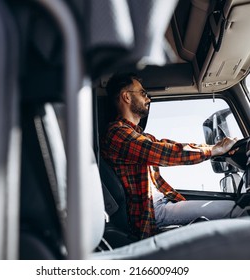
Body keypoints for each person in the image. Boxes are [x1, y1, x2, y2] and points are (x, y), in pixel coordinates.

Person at [101, 72, 239, 240]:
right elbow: (163, 152)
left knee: (233, 209)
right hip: (151, 214)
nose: (148, 99)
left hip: (161, 205)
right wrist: (213, 151)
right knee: (234, 210)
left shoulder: (137, 134)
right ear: (126, 97)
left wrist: (213, 148)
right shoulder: (117, 133)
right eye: (143, 93)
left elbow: (168, 145)